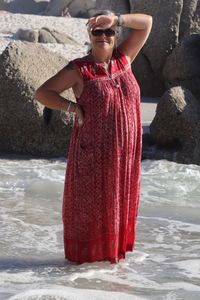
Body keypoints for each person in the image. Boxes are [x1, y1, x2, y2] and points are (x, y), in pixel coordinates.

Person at [35, 10, 153, 264]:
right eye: (97, 32)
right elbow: (43, 93)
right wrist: (73, 108)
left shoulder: (125, 58)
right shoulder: (80, 69)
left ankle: (108, 272)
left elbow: (147, 24)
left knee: (116, 208)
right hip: (93, 155)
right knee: (92, 212)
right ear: (90, 35)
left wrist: (116, 19)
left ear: (115, 35)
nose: (103, 36)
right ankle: (83, 274)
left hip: (124, 157)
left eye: (108, 32)